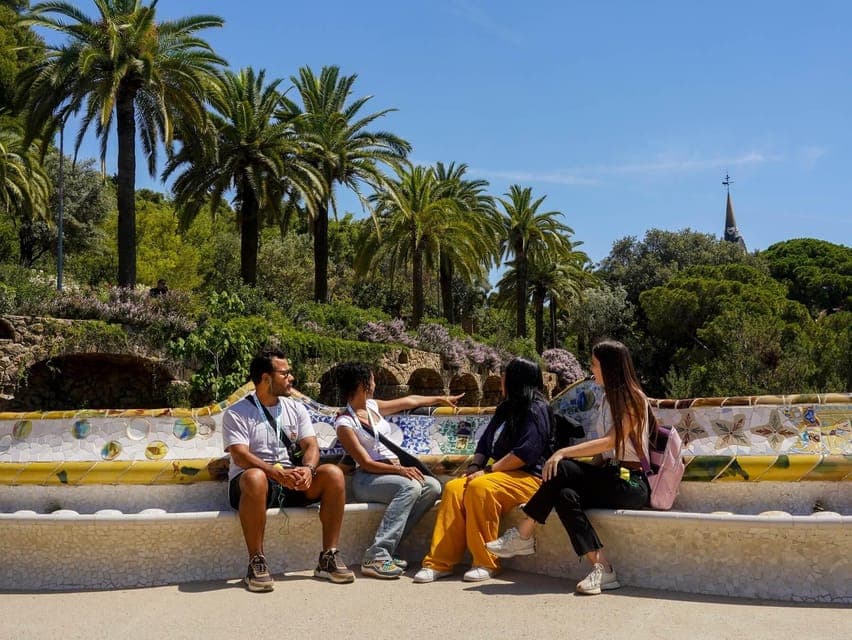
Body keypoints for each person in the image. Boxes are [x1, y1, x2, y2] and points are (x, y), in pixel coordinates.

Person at [485, 339, 651, 595]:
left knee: (561, 467)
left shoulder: (633, 398)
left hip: (631, 480)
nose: (591, 369)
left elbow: (610, 441)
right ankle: (603, 568)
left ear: (609, 367)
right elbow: (604, 455)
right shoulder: (606, 399)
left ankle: (524, 533)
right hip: (612, 474)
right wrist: (580, 469)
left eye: (594, 364)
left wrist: (563, 453)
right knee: (564, 494)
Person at [222, 348, 354, 592]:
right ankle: (256, 561)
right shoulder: (237, 412)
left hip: (290, 479)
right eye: (285, 373)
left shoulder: (296, 408)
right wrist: (275, 473)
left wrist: (308, 470)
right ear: (266, 378)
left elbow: (311, 446)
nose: (291, 378)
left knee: (333, 474)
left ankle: (328, 556)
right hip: (253, 485)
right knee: (255, 477)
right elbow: (239, 456)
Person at [413, 357, 551, 583]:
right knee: (455, 488)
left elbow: (524, 454)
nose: (501, 380)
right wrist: (475, 466)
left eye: (505, 376)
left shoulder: (537, 409)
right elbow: (484, 445)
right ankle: (439, 562)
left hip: (530, 478)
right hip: (500, 475)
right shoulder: (505, 408)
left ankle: (486, 562)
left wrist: (487, 471)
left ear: (516, 379)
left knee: (480, 486)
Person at [333, 362, 461, 579]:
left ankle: (389, 550)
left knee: (432, 486)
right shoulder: (345, 422)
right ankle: (376, 555)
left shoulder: (373, 406)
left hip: (391, 473)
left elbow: (409, 401)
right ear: (363, 385)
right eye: (372, 380)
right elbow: (365, 463)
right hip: (367, 479)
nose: (375, 384)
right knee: (410, 487)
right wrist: (400, 471)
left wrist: (440, 399)